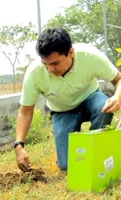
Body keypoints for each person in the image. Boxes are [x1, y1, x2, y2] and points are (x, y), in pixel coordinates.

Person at [14, 27, 121, 172]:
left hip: (90, 98)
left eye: (55, 63)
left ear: (71, 53)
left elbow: (118, 79)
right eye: (46, 64)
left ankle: (98, 151)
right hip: (62, 110)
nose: (50, 69)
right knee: (67, 165)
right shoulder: (35, 73)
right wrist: (19, 145)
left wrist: (116, 97)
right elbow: (25, 111)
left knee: (103, 107)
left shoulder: (90, 56)